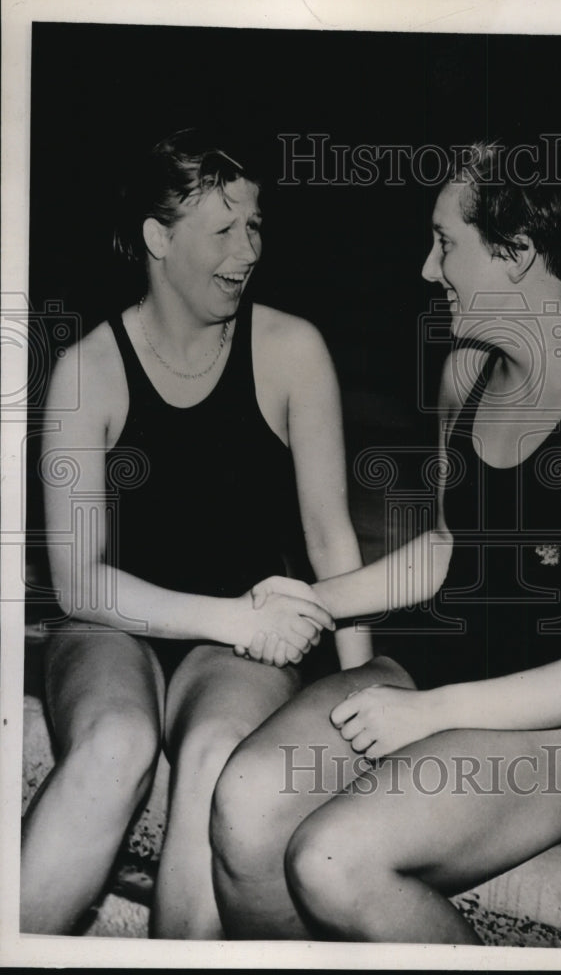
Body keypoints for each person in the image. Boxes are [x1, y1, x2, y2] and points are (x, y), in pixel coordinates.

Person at [208, 139, 561, 943]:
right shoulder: (465, 370)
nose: (428, 271)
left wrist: (427, 715)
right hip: (441, 659)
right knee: (243, 800)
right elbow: (452, 544)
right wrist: (315, 601)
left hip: (559, 722)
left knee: (334, 860)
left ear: (518, 253)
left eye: (445, 242)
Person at [20, 127, 377, 939]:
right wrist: (236, 617)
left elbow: (330, 542)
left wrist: (363, 696)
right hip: (113, 624)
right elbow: (78, 580)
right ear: (157, 238)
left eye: (255, 225)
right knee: (114, 743)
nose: (247, 249)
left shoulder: (291, 350)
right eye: (222, 229)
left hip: (239, 647)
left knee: (218, 751)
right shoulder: (88, 369)